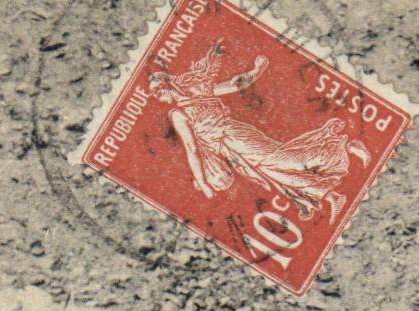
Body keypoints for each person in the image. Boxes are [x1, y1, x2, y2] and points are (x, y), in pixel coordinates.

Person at [151, 45, 371, 220]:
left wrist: (205, 184)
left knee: (283, 161)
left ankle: (344, 146)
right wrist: (256, 72)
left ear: (167, 84)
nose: (158, 96)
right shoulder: (195, 94)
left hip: (233, 138)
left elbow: (191, 149)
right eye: (154, 93)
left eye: (159, 90)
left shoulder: (179, 113)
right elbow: (234, 85)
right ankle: (332, 196)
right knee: (275, 173)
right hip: (233, 149)